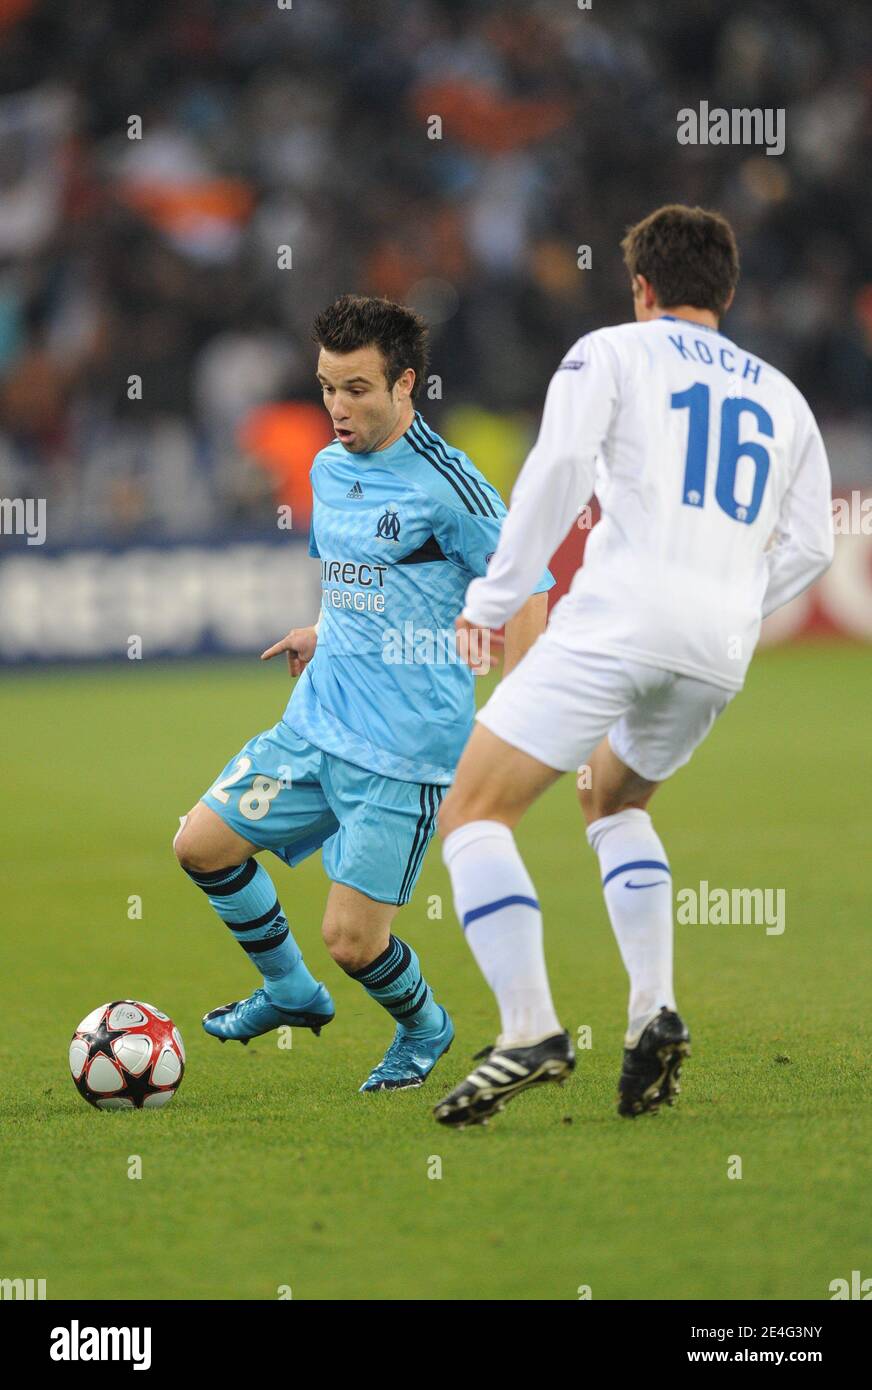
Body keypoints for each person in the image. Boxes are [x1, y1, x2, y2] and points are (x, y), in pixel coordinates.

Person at [433, 205, 834, 1126]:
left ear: (641, 287)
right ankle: (653, 1009)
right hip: (719, 645)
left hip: (620, 617)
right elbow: (812, 545)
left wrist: (492, 601)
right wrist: (736, 601)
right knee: (611, 799)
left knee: (474, 808)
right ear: (725, 293)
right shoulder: (785, 397)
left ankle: (530, 1028)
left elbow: (560, 464)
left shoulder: (610, 350)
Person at [173, 294, 553, 1092]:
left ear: (405, 384)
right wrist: (324, 630)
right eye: (325, 387)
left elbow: (527, 590)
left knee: (352, 941)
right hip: (315, 724)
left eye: (355, 390)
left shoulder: (450, 484)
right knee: (200, 847)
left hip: (405, 751)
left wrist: (516, 709)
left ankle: (425, 1027)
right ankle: (288, 989)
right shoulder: (327, 466)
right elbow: (354, 579)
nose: (336, 409)